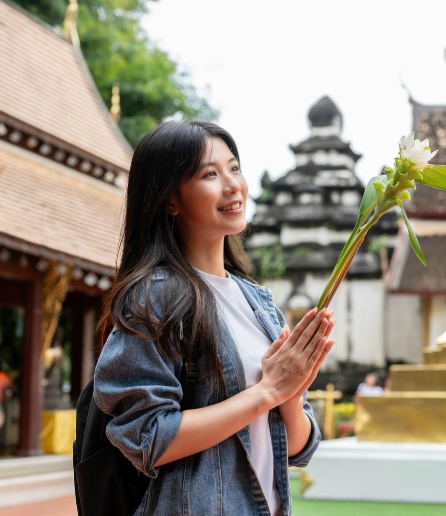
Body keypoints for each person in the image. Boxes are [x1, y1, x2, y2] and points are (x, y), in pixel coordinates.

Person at [93, 121, 337, 516]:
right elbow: (148, 437)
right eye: (210, 173)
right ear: (170, 200)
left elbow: (296, 447)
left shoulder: (260, 302)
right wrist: (267, 392)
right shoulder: (156, 296)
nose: (232, 185)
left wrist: (292, 391)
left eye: (234, 168)